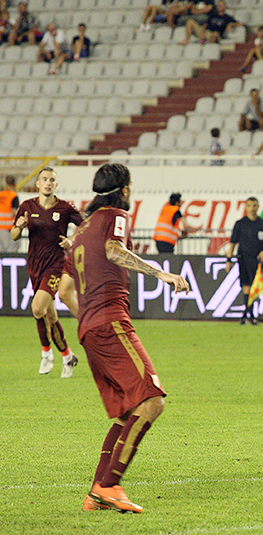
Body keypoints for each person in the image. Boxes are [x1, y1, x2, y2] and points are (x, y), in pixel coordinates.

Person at [58, 163, 190, 513]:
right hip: (110, 321)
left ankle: (96, 493)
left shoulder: (83, 229)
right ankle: (110, 484)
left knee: (126, 412)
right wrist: (161, 272)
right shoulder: (113, 215)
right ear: (124, 189)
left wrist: (88, 319)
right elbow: (115, 250)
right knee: (151, 400)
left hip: (90, 329)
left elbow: (65, 291)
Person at [11, 168, 81, 377]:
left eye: (52, 180)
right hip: (35, 266)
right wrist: (20, 227)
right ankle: (68, 357)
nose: (48, 183)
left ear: (56, 185)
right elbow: (14, 235)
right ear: (38, 184)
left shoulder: (65, 207)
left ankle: (46, 353)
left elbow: (86, 226)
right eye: (45, 179)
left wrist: (72, 240)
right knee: (49, 316)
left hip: (55, 266)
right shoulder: (27, 206)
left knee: (36, 308)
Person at [225, 197, 263, 324]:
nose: (252, 208)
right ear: (245, 207)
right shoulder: (240, 224)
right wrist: (228, 260)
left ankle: (248, 315)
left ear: (258, 207)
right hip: (243, 258)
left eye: (255, 206)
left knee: (254, 287)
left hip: (257, 260)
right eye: (250, 206)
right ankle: (248, 315)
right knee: (246, 286)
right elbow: (232, 244)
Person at [0, 175, 20, 253]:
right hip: (9, 228)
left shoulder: (0, 195)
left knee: (1, 253)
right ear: (14, 183)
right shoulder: (13, 196)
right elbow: (13, 212)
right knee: (10, 253)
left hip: (0, 228)